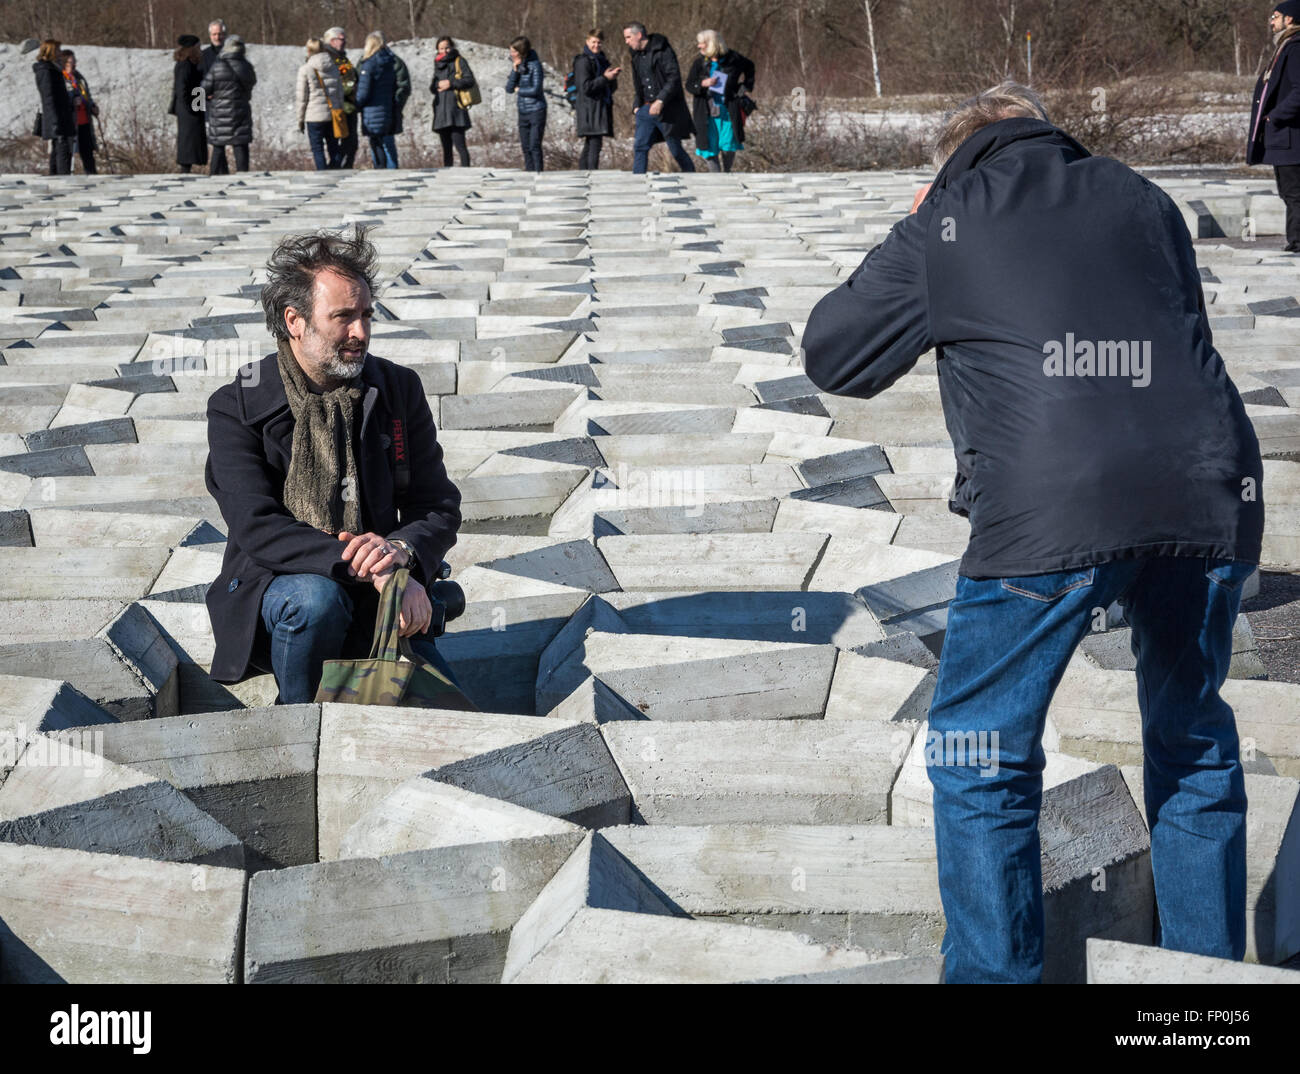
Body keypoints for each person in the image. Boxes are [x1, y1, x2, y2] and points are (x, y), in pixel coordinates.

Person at [801, 82, 1264, 984]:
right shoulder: (1143, 194)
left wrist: (919, 229)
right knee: (1194, 743)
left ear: (958, 152)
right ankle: (1206, 1007)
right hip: (1209, 490)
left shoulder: (951, 214)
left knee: (980, 757)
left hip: (1051, 510)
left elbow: (833, 352)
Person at [204, 226, 464, 704]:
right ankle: (297, 720)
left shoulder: (398, 388)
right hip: (276, 586)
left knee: (453, 710)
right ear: (294, 321)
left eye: (366, 315)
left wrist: (402, 555)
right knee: (316, 601)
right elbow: (257, 526)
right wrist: (369, 567)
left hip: (383, 588)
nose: (360, 333)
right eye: (343, 317)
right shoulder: (236, 405)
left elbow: (437, 504)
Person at [1247, 1, 1300, 252]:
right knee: (1289, 192)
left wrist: (1275, 116)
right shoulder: (1285, 46)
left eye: (1275, 16)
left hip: (1292, 137)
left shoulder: (1295, 48)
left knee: (1294, 192)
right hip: (1285, 137)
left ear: (1289, 19)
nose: (1271, 21)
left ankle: (1297, 242)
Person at [623, 22, 694, 174]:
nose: (626, 41)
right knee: (640, 147)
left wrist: (660, 100)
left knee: (675, 149)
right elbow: (638, 83)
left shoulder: (663, 51)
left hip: (667, 110)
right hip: (645, 110)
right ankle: (638, 184)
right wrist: (637, 106)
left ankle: (692, 179)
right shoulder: (635, 56)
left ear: (639, 35)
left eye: (628, 37)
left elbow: (674, 78)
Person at [685, 29, 754, 173]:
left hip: (728, 110)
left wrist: (745, 86)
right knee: (709, 148)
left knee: (728, 144)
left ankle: (727, 173)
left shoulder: (734, 59)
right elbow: (689, 85)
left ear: (712, 44)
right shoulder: (699, 63)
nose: (699, 46)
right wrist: (703, 84)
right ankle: (716, 177)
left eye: (702, 43)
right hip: (706, 112)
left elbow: (750, 66)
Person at [202, 34, 256, 174]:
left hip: (219, 114)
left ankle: (213, 178)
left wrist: (202, 105)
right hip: (240, 112)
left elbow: (201, 89)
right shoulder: (246, 66)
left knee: (218, 148)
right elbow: (251, 84)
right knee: (240, 146)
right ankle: (244, 178)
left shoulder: (217, 67)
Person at [573, 28, 619, 170]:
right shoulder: (583, 61)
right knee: (594, 145)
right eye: (593, 42)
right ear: (587, 42)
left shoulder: (603, 61)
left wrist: (612, 78)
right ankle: (591, 177)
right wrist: (605, 78)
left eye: (599, 43)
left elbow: (610, 88)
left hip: (600, 107)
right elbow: (585, 87)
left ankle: (584, 176)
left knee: (592, 144)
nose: (596, 45)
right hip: (589, 109)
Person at [356, 32, 400, 169]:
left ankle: (381, 173)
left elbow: (364, 92)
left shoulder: (369, 65)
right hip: (386, 109)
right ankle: (391, 173)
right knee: (385, 144)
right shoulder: (389, 63)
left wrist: (355, 105)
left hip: (372, 111)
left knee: (377, 145)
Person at [296, 37, 342, 170]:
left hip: (314, 116)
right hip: (333, 114)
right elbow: (339, 93)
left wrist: (300, 120)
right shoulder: (334, 67)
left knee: (318, 150)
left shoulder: (305, 69)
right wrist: (340, 111)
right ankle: (336, 174)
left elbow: (302, 98)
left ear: (309, 50)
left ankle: (323, 176)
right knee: (334, 148)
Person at [32, 39, 76, 176]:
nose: (60, 53)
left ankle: (57, 178)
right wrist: (55, 120)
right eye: (57, 50)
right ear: (51, 51)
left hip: (61, 115)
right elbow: (48, 97)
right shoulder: (46, 70)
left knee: (60, 149)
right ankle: (62, 180)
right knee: (61, 149)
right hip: (56, 117)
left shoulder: (53, 68)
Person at [430, 36, 475, 167]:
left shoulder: (459, 61)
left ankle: (466, 174)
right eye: (441, 48)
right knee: (446, 150)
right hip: (441, 112)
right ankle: (447, 176)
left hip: (456, 110)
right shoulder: (437, 65)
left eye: (447, 47)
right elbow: (432, 87)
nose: (444, 51)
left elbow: (469, 81)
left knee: (460, 146)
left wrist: (451, 83)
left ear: (452, 47)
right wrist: (438, 85)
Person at [505, 35, 546, 172]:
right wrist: (514, 70)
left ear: (521, 52)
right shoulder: (517, 66)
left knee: (534, 145)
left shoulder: (536, 66)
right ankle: (529, 173)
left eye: (513, 51)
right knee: (525, 147)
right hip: (522, 111)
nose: (511, 54)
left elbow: (536, 89)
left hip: (536, 109)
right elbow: (509, 88)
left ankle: (539, 174)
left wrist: (519, 90)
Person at [170, 34, 209, 173]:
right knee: (188, 143)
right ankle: (185, 172)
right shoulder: (184, 65)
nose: (200, 49)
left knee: (193, 142)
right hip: (188, 111)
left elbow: (196, 87)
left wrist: (203, 100)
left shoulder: (191, 64)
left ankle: (187, 170)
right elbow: (183, 90)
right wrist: (193, 108)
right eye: (198, 47)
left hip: (193, 108)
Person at [322, 27, 359, 169]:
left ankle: (344, 168)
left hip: (348, 105)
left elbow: (350, 75)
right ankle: (337, 169)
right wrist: (351, 88)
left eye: (344, 39)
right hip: (339, 105)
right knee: (340, 142)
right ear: (332, 41)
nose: (344, 42)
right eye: (341, 39)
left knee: (351, 143)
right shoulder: (328, 58)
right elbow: (331, 83)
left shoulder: (341, 57)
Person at [60, 49, 98, 175]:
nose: (74, 65)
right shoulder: (60, 79)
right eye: (71, 62)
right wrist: (71, 102)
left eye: (75, 62)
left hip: (84, 121)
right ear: (64, 63)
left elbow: (87, 96)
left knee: (88, 153)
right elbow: (59, 101)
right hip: (71, 123)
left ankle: (92, 176)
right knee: (68, 153)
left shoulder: (79, 78)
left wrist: (92, 106)